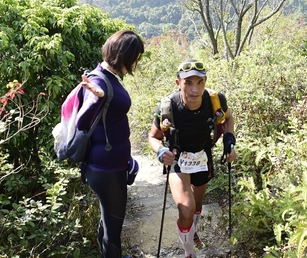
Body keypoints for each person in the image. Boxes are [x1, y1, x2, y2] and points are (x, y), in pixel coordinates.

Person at [148, 59, 237, 258]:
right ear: (178, 83)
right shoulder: (168, 107)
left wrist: (229, 139)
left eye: (199, 82)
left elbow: (229, 117)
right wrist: (161, 152)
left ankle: (192, 233)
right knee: (186, 209)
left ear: (205, 82)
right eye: (188, 83)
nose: (194, 89)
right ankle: (189, 252)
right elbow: (153, 137)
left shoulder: (215, 101)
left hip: (203, 157)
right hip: (177, 158)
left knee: (197, 203)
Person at [77, 29, 144, 258]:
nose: (135, 63)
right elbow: (82, 121)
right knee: (113, 227)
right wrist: (95, 99)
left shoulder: (107, 76)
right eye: (135, 57)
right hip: (106, 169)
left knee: (108, 222)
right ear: (124, 55)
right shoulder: (99, 81)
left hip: (109, 165)